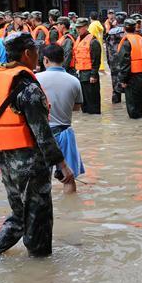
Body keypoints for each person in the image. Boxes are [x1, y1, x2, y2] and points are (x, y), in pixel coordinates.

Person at [0, 33, 73, 263]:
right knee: (38, 218)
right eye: (35, 51)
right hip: (30, 165)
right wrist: (62, 165)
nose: (38, 55)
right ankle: (40, 270)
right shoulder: (28, 87)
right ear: (27, 53)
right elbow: (43, 135)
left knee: (20, 215)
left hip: (5, 160)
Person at [36, 44, 85, 194]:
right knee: (68, 178)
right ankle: (70, 212)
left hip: (40, 135)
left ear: (45, 60)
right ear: (63, 59)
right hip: (64, 133)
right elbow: (76, 108)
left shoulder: (35, 79)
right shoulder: (74, 81)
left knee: (39, 180)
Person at [115, 18, 142, 119]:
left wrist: (123, 79)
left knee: (132, 108)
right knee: (139, 105)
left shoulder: (126, 42)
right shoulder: (141, 39)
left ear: (124, 28)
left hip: (131, 77)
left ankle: (136, 131)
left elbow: (124, 62)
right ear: (135, 28)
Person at [72, 17, 101, 115]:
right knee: (84, 102)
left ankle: (94, 119)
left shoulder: (93, 41)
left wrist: (93, 75)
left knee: (92, 100)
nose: (78, 29)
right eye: (77, 27)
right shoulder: (78, 39)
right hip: (81, 73)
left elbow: (96, 60)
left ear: (86, 27)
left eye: (80, 27)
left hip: (90, 74)